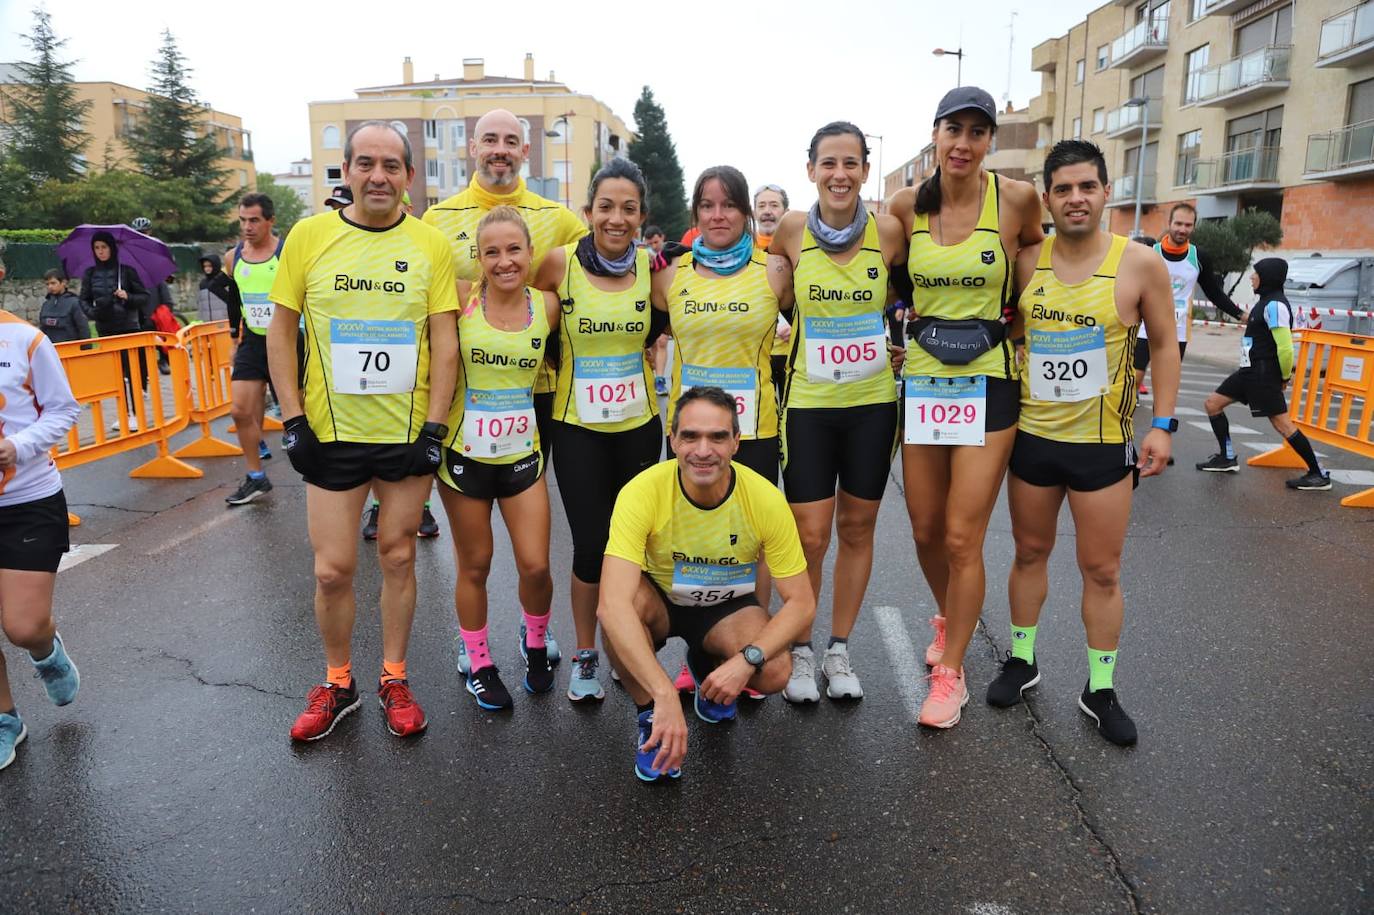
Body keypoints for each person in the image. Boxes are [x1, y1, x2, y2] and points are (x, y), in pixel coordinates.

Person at [266, 121, 459, 741]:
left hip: (405, 435)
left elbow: (445, 341)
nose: (379, 176)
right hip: (331, 435)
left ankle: (394, 677)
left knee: (398, 556)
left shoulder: (430, 244)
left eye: (391, 165)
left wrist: (435, 427)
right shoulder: (309, 236)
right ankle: (337, 681)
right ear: (346, 171)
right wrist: (291, 419)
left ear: (408, 176)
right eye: (366, 164)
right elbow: (280, 331)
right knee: (332, 570)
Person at [988, 138, 1178, 746]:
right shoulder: (1025, 262)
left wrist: (1163, 424)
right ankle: (1023, 659)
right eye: (1064, 189)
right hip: (1034, 439)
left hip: (1101, 446)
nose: (1076, 198)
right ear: (1047, 199)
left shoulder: (1140, 263)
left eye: (1087, 187)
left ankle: (1100, 688)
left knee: (1101, 569)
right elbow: (1002, 328)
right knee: (1028, 553)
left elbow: (1165, 344)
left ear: (1106, 193)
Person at [885, 87, 1043, 727]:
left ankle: (950, 674)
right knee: (925, 528)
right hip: (925, 384)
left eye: (978, 132)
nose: (964, 143)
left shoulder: (1016, 199)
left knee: (961, 534)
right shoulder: (905, 206)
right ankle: (952, 616)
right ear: (935, 134)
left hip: (989, 384)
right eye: (954, 129)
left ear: (989, 142)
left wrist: (1023, 327)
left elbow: (1038, 265)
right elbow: (877, 272)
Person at [598, 386, 815, 781]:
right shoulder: (641, 492)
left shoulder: (765, 498)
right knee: (618, 620)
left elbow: (801, 603)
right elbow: (611, 605)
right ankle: (650, 717)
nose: (703, 450)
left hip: (725, 608)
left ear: (736, 442)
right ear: (672, 440)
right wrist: (663, 694)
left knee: (774, 671)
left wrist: (744, 661)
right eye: (690, 436)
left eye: (717, 437)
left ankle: (707, 665)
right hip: (661, 600)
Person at [769, 123, 906, 703]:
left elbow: (910, 293)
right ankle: (800, 649)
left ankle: (839, 649)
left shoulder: (888, 231)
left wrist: (902, 343)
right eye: (829, 163)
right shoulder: (790, 229)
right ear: (811, 170)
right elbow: (773, 295)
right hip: (808, 403)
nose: (840, 174)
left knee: (856, 527)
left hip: (872, 405)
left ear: (866, 171)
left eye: (851, 163)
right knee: (808, 535)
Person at [531, 159, 670, 701]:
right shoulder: (557, 263)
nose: (617, 218)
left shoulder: (652, 269)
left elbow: (670, 323)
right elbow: (524, 318)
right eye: (606, 207)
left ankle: (627, 647)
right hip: (577, 429)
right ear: (588, 212)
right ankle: (586, 655)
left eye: (628, 209)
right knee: (591, 547)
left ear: (641, 216)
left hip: (639, 427)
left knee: (634, 545)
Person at [652, 164, 794, 693]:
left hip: (752, 430)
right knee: (690, 537)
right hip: (691, 434)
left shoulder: (774, 270)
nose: (718, 215)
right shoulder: (670, 275)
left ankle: (748, 648)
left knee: (752, 542)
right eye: (707, 205)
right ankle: (697, 648)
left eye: (729, 204)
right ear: (695, 213)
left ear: (745, 213)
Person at [437, 206, 562, 710]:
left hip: (521, 454)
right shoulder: (460, 298)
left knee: (536, 565)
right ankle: (479, 661)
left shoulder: (548, 306)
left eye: (514, 250)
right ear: (478, 258)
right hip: (463, 455)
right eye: (492, 252)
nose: (504, 261)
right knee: (476, 564)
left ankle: (536, 642)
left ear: (531, 253)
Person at [423, 108, 588, 466]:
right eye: (490, 140)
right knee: (469, 492)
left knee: (524, 486)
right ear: (472, 147)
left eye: (511, 142)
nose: (500, 149)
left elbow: (601, 265)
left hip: (536, 386)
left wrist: (656, 265)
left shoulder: (558, 219)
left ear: (525, 151)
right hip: (464, 386)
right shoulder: (436, 220)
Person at [0, 304, 84, 771]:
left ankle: (45, 651)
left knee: (23, 627)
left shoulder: (25, 340)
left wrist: (18, 446)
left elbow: (63, 409)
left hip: (26, 502)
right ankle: (5, 720)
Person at [1197, 257, 1330, 490]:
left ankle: (1318, 474)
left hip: (1263, 373)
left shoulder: (1275, 305)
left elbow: (1286, 348)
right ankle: (1227, 458)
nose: (1251, 277)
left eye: (1256, 273)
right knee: (1213, 404)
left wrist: (1284, 377)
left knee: (1282, 425)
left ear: (1267, 277)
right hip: (1248, 371)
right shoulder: (1264, 302)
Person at [224, 193, 299, 506]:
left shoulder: (286, 253)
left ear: (270, 221)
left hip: (289, 340)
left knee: (302, 414)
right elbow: (234, 300)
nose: (247, 227)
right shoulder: (233, 257)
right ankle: (256, 476)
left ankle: (322, 470)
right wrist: (233, 338)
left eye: (254, 220)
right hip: (253, 341)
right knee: (240, 410)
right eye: (243, 220)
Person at [1134, 203, 1244, 396]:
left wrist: (1241, 315)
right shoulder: (1151, 252)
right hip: (1145, 326)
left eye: (1188, 225)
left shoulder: (1199, 257)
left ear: (1193, 226)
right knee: (1134, 378)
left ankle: (1161, 416)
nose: (1182, 229)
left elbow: (1213, 292)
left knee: (1167, 386)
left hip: (1177, 331)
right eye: (1178, 224)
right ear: (1169, 223)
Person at [78, 230, 149, 433]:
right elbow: (83, 299)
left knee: (131, 372)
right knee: (116, 374)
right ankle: (123, 414)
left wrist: (128, 296)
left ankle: (137, 414)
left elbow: (144, 296)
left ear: (112, 248)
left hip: (128, 327)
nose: (100, 251)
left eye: (104, 247)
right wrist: (93, 313)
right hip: (105, 328)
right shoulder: (90, 274)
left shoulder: (126, 271)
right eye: (96, 248)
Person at [755, 183, 794, 397]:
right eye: (761, 206)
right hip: (756, 353)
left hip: (792, 351)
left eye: (774, 205)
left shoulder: (799, 249)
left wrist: (796, 325)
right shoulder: (743, 251)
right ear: (754, 212)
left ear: (786, 212)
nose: (767, 211)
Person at [37, 270, 90, 345]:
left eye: (53, 283)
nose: (50, 286)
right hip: (51, 349)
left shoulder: (75, 303)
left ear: (64, 283)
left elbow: (83, 330)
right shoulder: (46, 305)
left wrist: (86, 350)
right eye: (47, 284)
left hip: (71, 348)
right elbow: (42, 330)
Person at [196, 254, 241, 328]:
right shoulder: (202, 284)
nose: (207, 268)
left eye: (210, 266)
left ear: (215, 265)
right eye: (205, 266)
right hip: (207, 323)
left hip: (224, 321)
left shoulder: (225, 281)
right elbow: (201, 305)